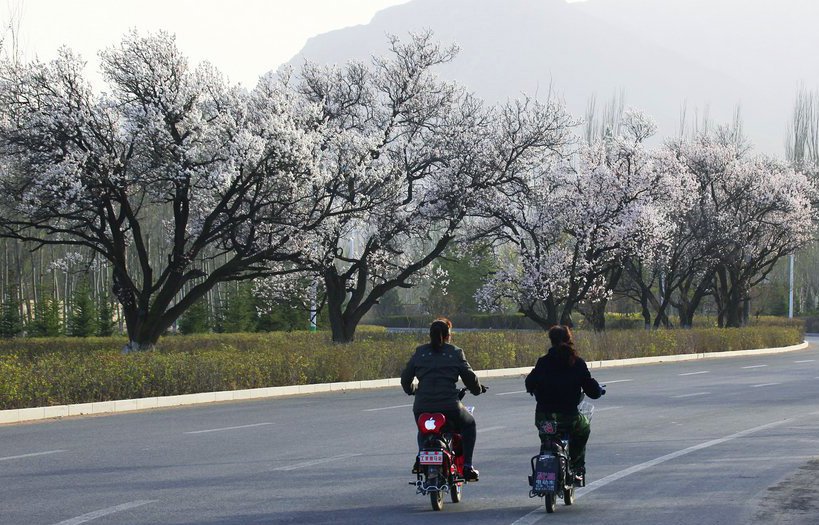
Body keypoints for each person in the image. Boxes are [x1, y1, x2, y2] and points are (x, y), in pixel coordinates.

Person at [400, 317, 485, 481]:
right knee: (469, 424)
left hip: (422, 406)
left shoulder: (420, 352)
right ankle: (467, 465)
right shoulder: (455, 352)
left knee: (424, 429)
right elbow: (469, 377)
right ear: (448, 335)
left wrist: (412, 390)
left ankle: (420, 457)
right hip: (450, 407)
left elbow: (405, 379)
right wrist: (477, 390)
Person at [525, 325, 604, 483]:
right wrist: (598, 391)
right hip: (569, 418)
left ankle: (547, 457)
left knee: (547, 436)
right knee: (584, 429)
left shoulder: (543, 362)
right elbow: (591, 389)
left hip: (544, 417)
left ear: (551, 340)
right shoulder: (577, 363)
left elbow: (529, 383)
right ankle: (576, 466)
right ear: (569, 339)